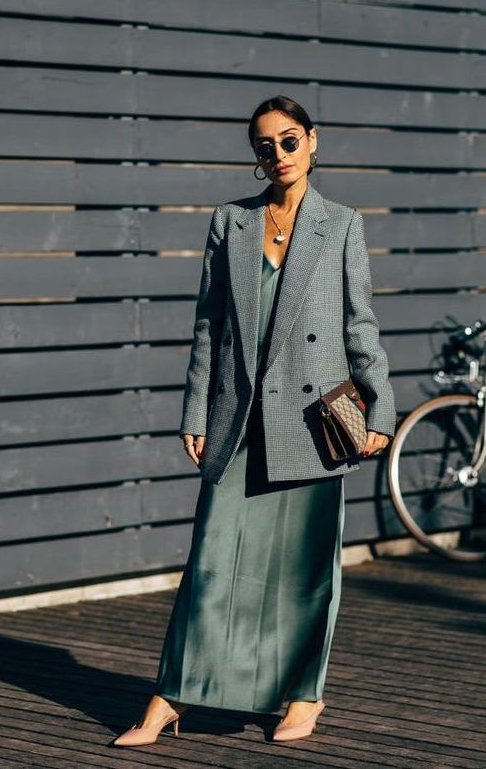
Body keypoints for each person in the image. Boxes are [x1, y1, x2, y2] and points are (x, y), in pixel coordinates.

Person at [113, 95, 396, 747]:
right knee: (212, 562)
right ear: (254, 155)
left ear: (312, 142)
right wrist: (194, 411)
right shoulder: (228, 223)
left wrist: (378, 408)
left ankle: (303, 695)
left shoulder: (342, 224)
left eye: (289, 140)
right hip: (237, 418)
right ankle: (170, 694)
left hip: (311, 419)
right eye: (265, 145)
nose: (278, 154)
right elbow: (208, 329)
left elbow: (360, 325)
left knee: (304, 571)